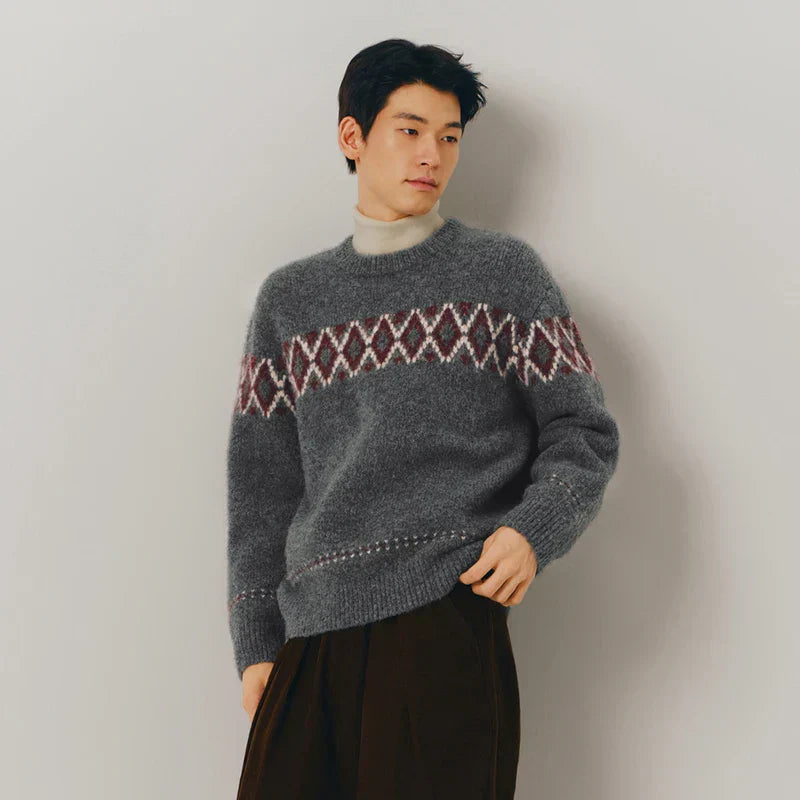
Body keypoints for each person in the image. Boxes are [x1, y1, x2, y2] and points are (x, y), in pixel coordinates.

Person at [226, 38, 620, 799]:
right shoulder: (289, 300)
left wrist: (531, 531)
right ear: (353, 136)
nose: (430, 155)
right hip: (309, 635)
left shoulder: (502, 274)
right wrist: (256, 645)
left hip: (442, 618)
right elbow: (261, 492)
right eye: (409, 130)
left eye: (448, 137)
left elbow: (583, 431)